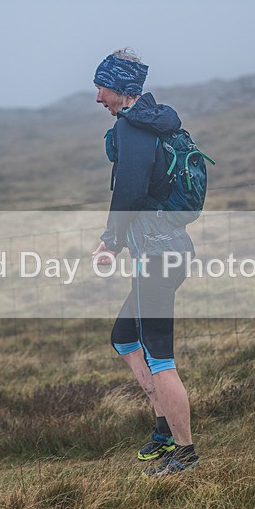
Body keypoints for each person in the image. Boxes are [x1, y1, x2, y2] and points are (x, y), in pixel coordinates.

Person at [91, 48, 199, 476]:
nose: (98, 98)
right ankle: (162, 428)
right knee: (123, 336)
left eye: (102, 88)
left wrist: (109, 242)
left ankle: (184, 452)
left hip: (158, 257)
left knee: (160, 358)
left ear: (121, 89)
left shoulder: (134, 129)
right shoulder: (152, 118)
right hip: (165, 250)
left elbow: (130, 192)